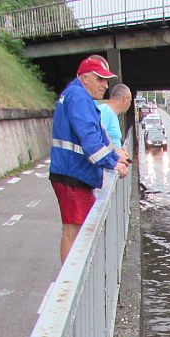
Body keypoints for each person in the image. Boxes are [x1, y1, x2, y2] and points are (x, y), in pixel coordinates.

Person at [50, 56, 129, 264]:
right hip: (71, 175)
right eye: (100, 79)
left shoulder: (82, 98)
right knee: (74, 229)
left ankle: (73, 275)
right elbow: (91, 141)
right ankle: (69, 282)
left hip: (76, 174)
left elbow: (100, 135)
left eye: (106, 80)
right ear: (85, 78)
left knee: (81, 227)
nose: (105, 85)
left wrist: (115, 157)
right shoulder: (78, 97)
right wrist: (113, 164)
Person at [98, 83, 133, 164]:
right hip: (106, 168)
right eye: (130, 101)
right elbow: (97, 140)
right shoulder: (105, 112)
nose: (130, 104)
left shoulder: (112, 114)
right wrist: (115, 155)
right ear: (125, 99)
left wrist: (119, 150)